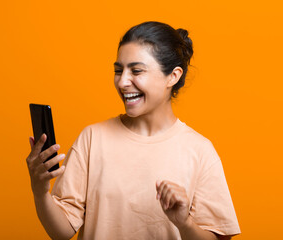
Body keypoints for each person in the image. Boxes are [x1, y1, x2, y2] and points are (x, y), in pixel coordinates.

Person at [26, 21, 240, 240]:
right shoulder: (92, 139)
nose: (123, 82)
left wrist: (184, 223)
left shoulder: (200, 151)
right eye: (118, 71)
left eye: (136, 71)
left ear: (173, 76)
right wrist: (40, 190)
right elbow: (61, 231)